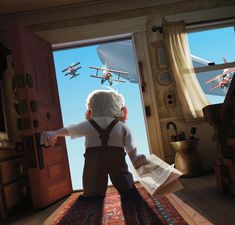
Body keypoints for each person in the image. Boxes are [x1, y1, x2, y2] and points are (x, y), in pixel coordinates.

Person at [40, 89, 147, 200]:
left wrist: (56, 133)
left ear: (91, 108)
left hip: (93, 160)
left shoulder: (88, 124)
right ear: (118, 107)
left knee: (92, 182)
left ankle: (92, 195)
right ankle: (128, 191)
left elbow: (72, 129)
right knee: (123, 179)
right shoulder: (122, 126)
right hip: (116, 159)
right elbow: (130, 144)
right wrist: (135, 157)